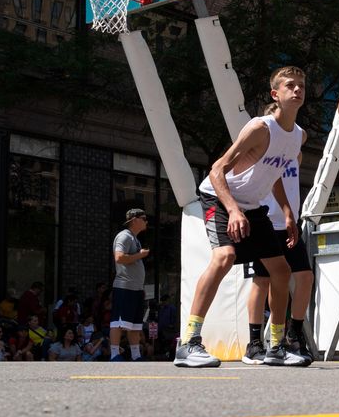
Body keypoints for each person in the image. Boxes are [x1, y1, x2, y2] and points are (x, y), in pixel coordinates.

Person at [174, 66, 306, 368]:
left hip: (252, 204)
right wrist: (232, 209)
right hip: (218, 197)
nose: (297, 90)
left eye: (301, 85)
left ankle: (276, 347)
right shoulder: (260, 128)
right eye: (290, 85)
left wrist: (287, 213)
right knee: (224, 257)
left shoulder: (298, 136)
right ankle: (189, 342)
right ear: (276, 94)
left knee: (282, 271)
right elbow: (217, 169)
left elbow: (273, 177)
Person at [241, 115, 314, 367]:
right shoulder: (263, 150)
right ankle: (254, 343)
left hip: (289, 224)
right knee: (263, 280)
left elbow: (302, 134)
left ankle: (294, 333)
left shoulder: (294, 152)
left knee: (305, 276)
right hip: (266, 221)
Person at [109, 208, 151, 361]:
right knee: (118, 322)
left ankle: (136, 355)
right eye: (144, 218)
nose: (146, 221)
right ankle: (114, 354)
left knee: (134, 324)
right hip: (124, 286)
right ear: (134, 220)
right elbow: (119, 257)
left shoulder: (134, 238)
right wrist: (140, 255)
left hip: (135, 289)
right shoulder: (124, 236)